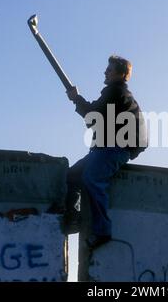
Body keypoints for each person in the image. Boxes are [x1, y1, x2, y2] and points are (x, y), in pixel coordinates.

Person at [64, 55, 147, 249]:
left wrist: (76, 98)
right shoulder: (114, 94)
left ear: (120, 74)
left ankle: (102, 231)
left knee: (92, 178)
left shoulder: (116, 93)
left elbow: (92, 116)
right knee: (72, 176)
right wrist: (77, 100)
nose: (105, 72)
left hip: (116, 148)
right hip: (105, 148)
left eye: (109, 70)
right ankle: (74, 217)